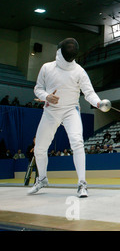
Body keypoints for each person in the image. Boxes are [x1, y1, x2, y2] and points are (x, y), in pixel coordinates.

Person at [28, 38, 111, 198]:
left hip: (70, 111)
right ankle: (42, 179)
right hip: (51, 111)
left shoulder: (79, 71)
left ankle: (82, 184)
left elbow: (89, 93)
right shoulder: (47, 68)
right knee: (39, 147)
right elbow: (38, 89)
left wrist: (98, 103)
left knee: (77, 142)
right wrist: (46, 96)